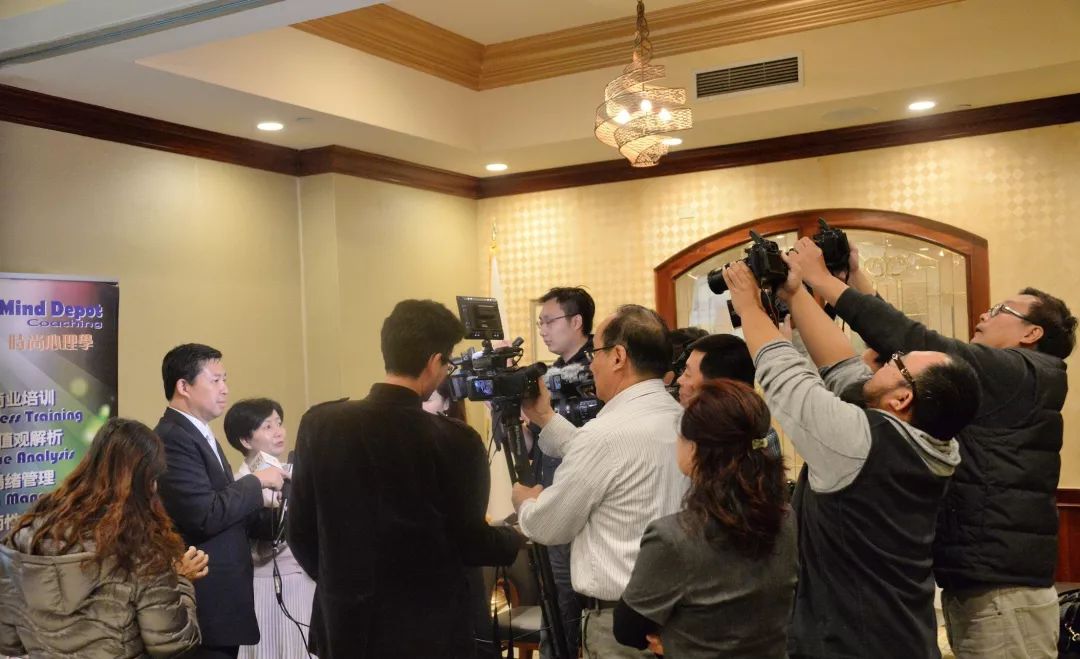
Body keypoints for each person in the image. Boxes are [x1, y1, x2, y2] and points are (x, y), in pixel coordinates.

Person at [789, 236, 1076, 657]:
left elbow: (913, 341)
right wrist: (853, 278)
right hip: (986, 583)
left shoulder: (1023, 373)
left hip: (1003, 592)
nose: (986, 313)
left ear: (1032, 333)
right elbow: (911, 349)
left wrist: (819, 279)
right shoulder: (1014, 380)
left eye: (1001, 311)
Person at [722, 256, 981, 658]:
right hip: (904, 637)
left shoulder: (863, 444)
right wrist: (794, 293)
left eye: (897, 364)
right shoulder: (929, 442)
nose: (886, 359)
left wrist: (748, 305)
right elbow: (842, 367)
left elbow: (786, 378)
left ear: (902, 399)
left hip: (852, 645)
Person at [288, 299, 523, 658]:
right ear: (434, 361)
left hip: (347, 628)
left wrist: (344, 583)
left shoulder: (320, 424)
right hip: (429, 631)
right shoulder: (456, 440)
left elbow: (300, 533)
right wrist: (514, 536)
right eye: (447, 363)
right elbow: (471, 541)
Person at [515, 304, 688, 658]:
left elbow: (549, 526)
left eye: (596, 353)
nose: (591, 365)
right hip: (679, 616)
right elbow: (609, 458)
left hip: (619, 625)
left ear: (618, 357)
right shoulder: (684, 420)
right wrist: (545, 416)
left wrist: (526, 503)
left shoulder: (604, 436)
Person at [613, 381, 797, 658]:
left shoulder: (672, 538)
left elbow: (627, 628)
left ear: (697, 449)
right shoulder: (785, 518)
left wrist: (673, 638)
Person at [0, 418, 205, 658]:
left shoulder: (27, 535)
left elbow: (9, 641)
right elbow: (172, 644)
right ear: (148, 482)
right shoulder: (141, 549)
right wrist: (181, 580)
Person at [155, 343, 288, 659]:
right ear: (184, 386)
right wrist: (257, 481)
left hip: (224, 598)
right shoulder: (172, 437)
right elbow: (204, 514)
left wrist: (281, 513)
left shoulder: (200, 433)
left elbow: (228, 510)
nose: (225, 389)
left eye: (224, 379)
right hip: (205, 597)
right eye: (215, 380)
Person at [223, 398, 316, 659]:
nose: (279, 432)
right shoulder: (238, 485)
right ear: (245, 440)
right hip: (262, 586)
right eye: (267, 426)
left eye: (279, 423)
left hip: (303, 582)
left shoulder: (296, 474)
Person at [532, 285, 596, 656]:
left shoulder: (599, 372)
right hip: (552, 499)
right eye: (539, 323)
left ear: (576, 322)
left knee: (583, 610)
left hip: (587, 505)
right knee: (557, 605)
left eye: (549, 321)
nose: (543, 330)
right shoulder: (545, 377)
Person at [675, 332, 781, 456]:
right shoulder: (761, 431)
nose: (679, 380)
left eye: (688, 374)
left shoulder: (715, 446)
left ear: (719, 387)